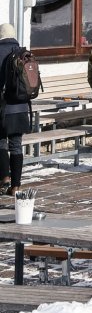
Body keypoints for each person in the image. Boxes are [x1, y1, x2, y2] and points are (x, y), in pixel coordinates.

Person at [0, 23, 31, 196]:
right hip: (21, 107)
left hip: (3, 107)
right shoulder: (22, 52)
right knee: (16, 145)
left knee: (1, 142)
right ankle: (16, 186)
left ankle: (4, 178)